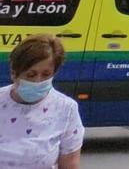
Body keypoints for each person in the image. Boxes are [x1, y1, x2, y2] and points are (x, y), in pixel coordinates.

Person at [0, 34, 83, 169]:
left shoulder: (66, 109)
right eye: (31, 75)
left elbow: (70, 164)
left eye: (46, 74)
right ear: (14, 74)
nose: (38, 81)